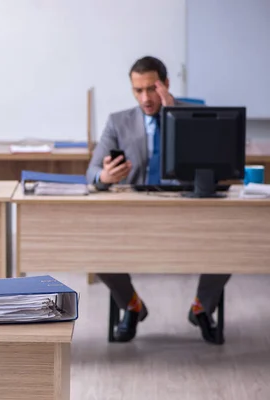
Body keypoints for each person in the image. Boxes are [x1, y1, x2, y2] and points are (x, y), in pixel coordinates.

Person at [85, 56, 229, 345]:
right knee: (96, 252)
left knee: (230, 246)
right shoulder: (118, 121)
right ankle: (132, 305)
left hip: (188, 207)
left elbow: (220, 167)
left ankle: (202, 306)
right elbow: (91, 172)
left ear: (166, 84)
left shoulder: (196, 114)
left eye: (151, 88)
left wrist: (175, 114)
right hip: (138, 210)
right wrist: (105, 177)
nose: (145, 98)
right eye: (137, 90)